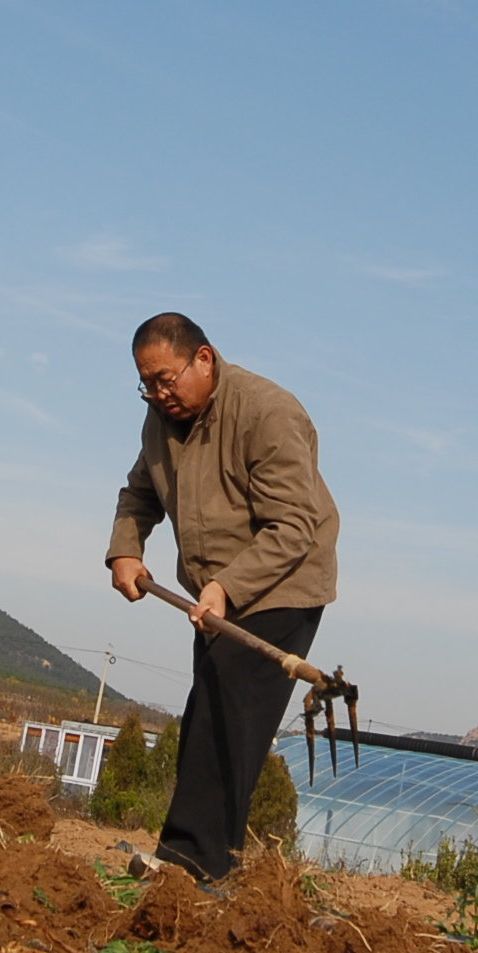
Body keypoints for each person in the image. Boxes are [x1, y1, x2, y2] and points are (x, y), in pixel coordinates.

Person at [106, 312, 340, 883]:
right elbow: (140, 491)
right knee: (210, 721)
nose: (159, 394)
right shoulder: (160, 420)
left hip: (282, 585)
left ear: (204, 359)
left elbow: (293, 526)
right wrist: (125, 549)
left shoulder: (269, 413)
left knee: (224, 714)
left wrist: (227, 587)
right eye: (147, 384)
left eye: (167, 379)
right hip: (215, 596)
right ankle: (213, 866)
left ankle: (190, 868)